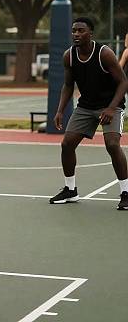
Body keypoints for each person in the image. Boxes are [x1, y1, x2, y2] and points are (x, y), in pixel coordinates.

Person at [51, 17, 128, 210]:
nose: (76, 34)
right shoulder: (69, 56)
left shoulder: (104, 54)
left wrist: (111, 108)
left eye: (81, 31)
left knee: (112, 144)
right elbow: (68, 85)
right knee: (67, 144)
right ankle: (71, 190)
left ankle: (126, 192)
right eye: (74, 31)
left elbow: (123, 82)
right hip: (86, 106)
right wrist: (60, 110)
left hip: (111, 105)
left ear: (90, 33)